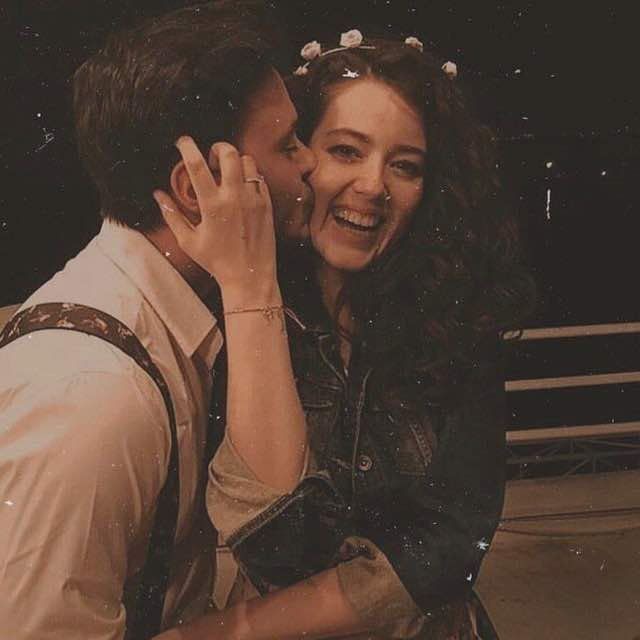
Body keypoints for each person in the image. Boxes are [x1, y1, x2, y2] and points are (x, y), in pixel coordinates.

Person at [154, 31, 535, 640]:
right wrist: (252, 290)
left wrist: (214, 634)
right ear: (298, 158)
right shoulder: (231, 310)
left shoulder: (458, 322)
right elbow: (275, 541)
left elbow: (451, 543)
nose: (373, 186)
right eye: (346, 151)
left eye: (405, 165)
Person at [0, 2, 318, 638]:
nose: (309, 161)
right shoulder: (93, 395)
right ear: (198, 188)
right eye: (287, 144)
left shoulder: (159, 320)